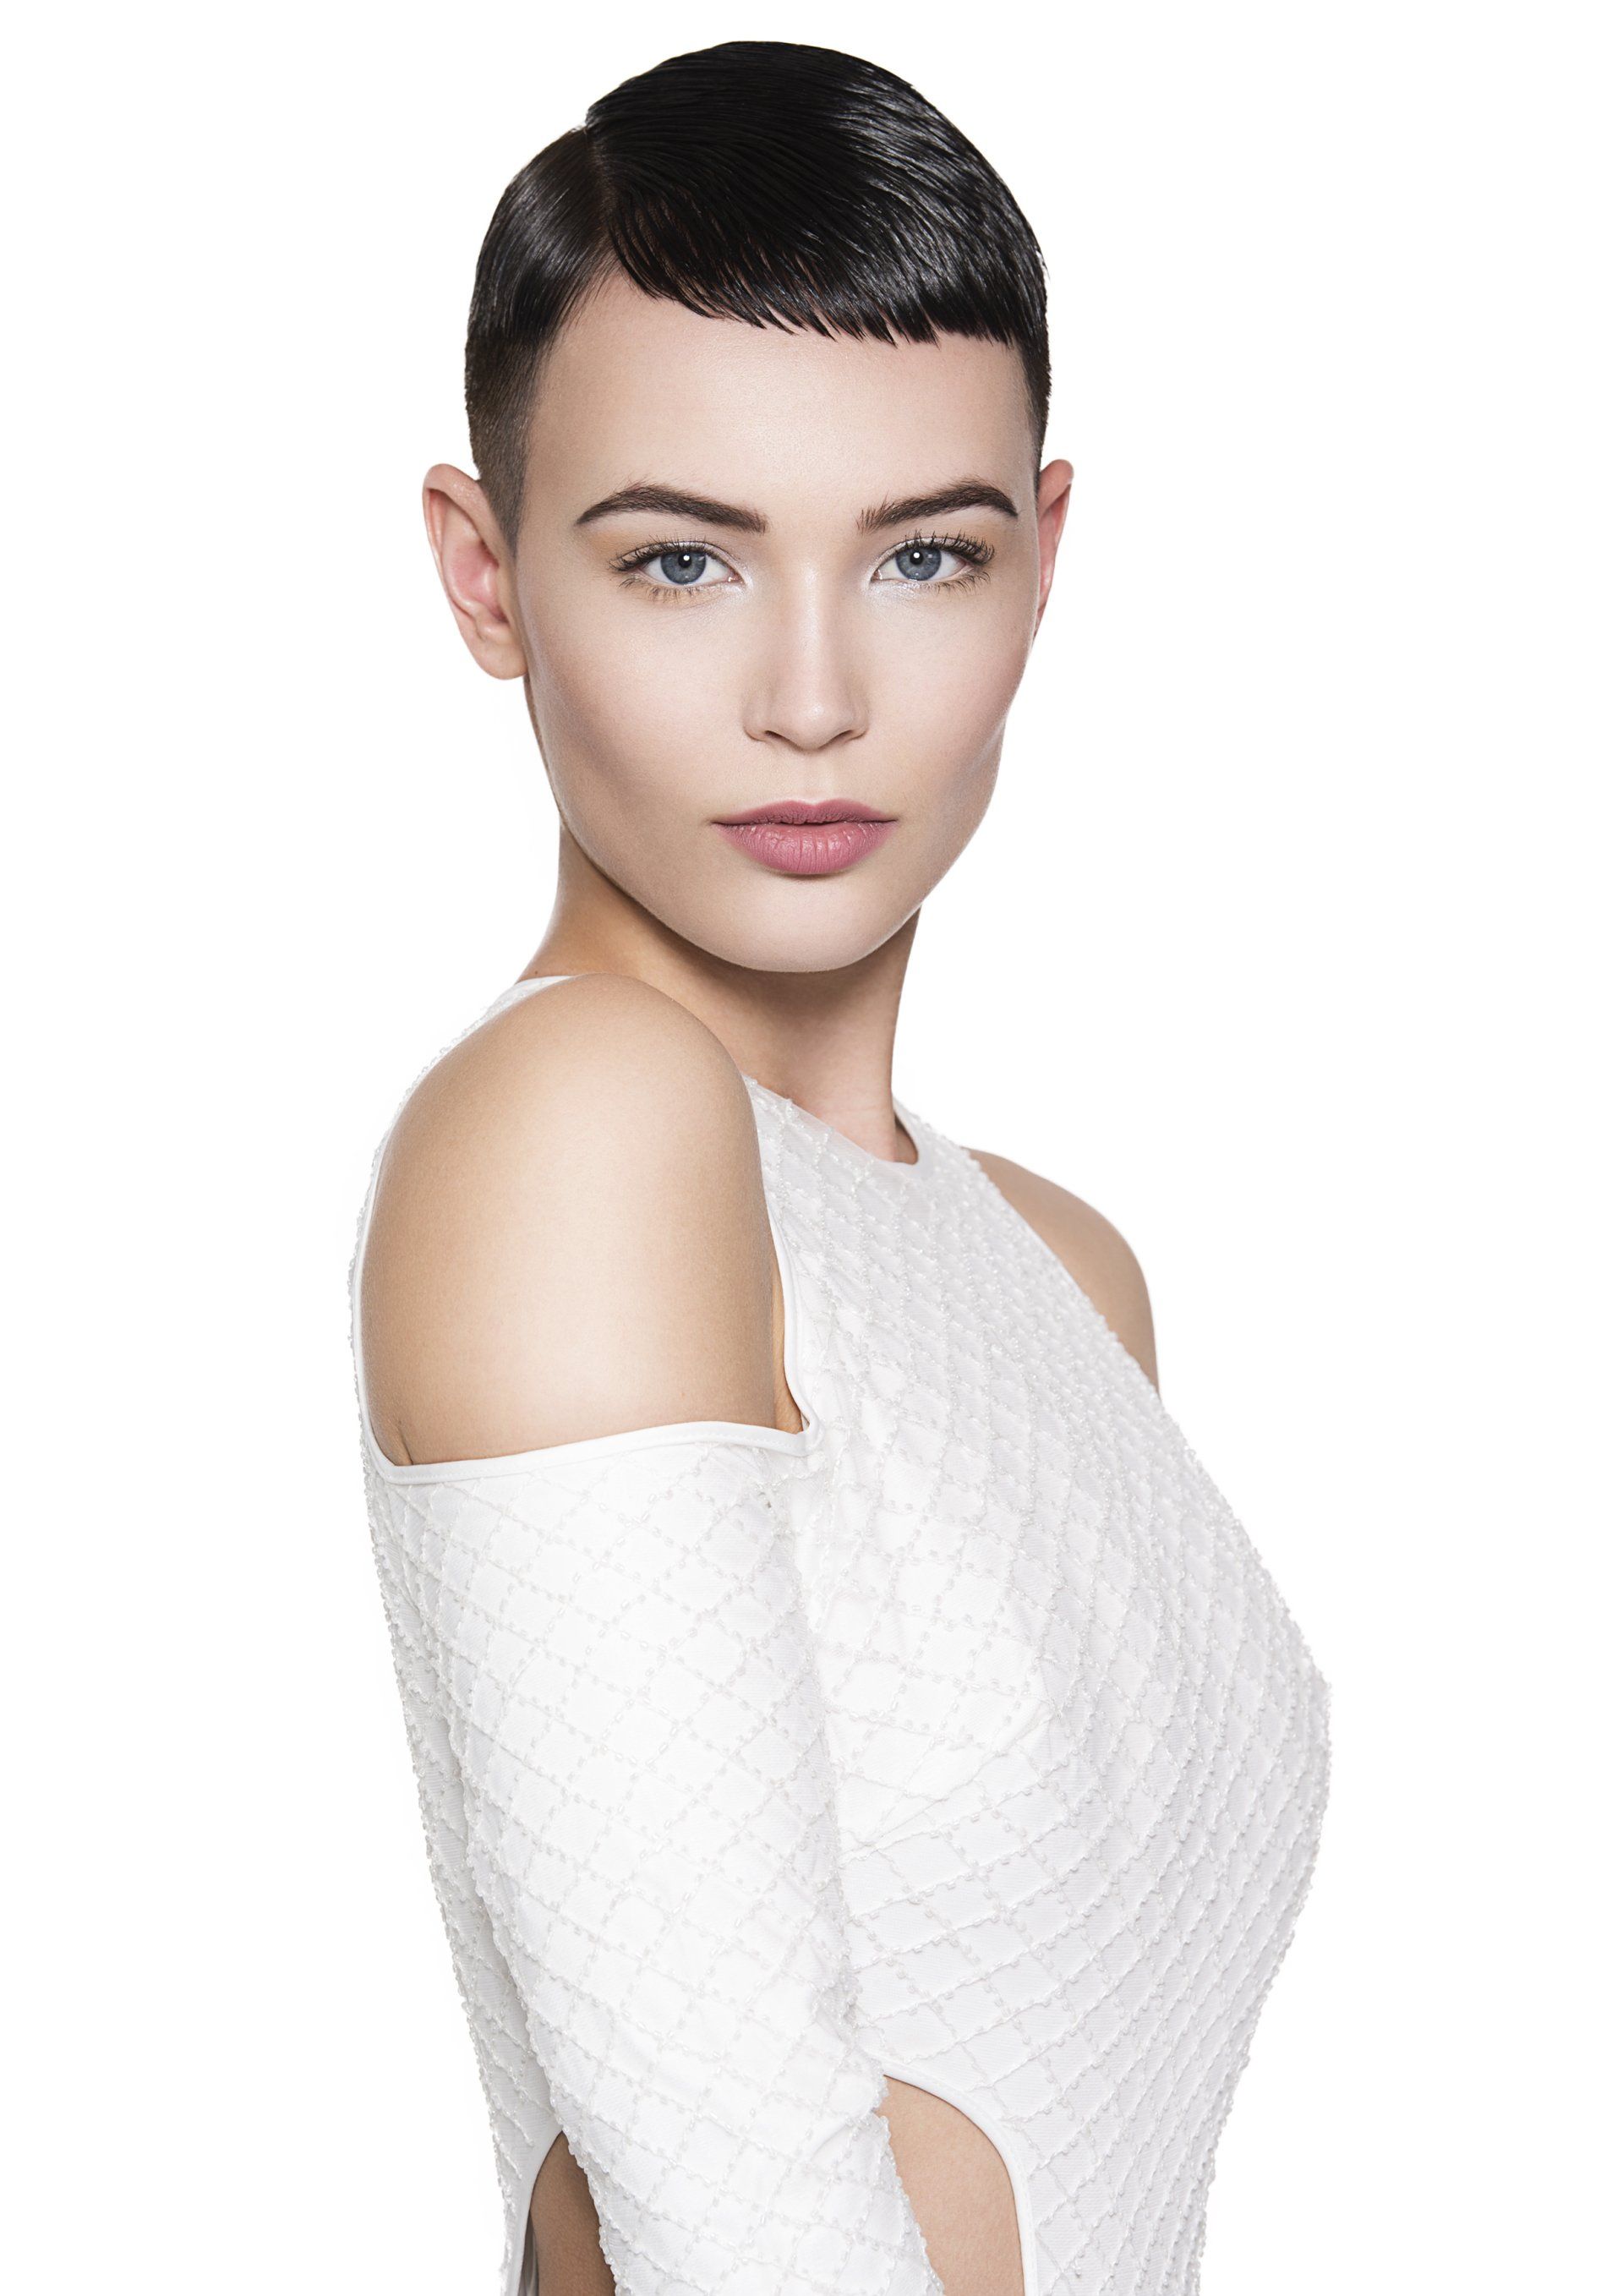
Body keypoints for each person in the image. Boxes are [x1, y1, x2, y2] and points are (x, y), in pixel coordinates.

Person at [348, 38, 1331, 2296]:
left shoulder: (1060, 1270)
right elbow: (736, 2215)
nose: (813, 695)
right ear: (487, 578)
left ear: (1043, 561)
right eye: (682, 559)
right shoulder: (579, 1118)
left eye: (923, 555)